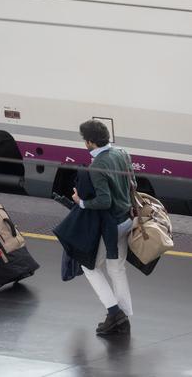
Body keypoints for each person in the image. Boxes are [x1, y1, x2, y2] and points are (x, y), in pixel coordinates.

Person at [71, 119, 133, 336]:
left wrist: (80, 201)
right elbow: (131, 185)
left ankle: (115, 312)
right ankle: (124, 320)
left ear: (89, 142)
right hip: (127, 220)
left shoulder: (97, 166)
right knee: (117, 269)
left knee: (89, 267)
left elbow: (104, 201)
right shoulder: (121, 154)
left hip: (111, 226)